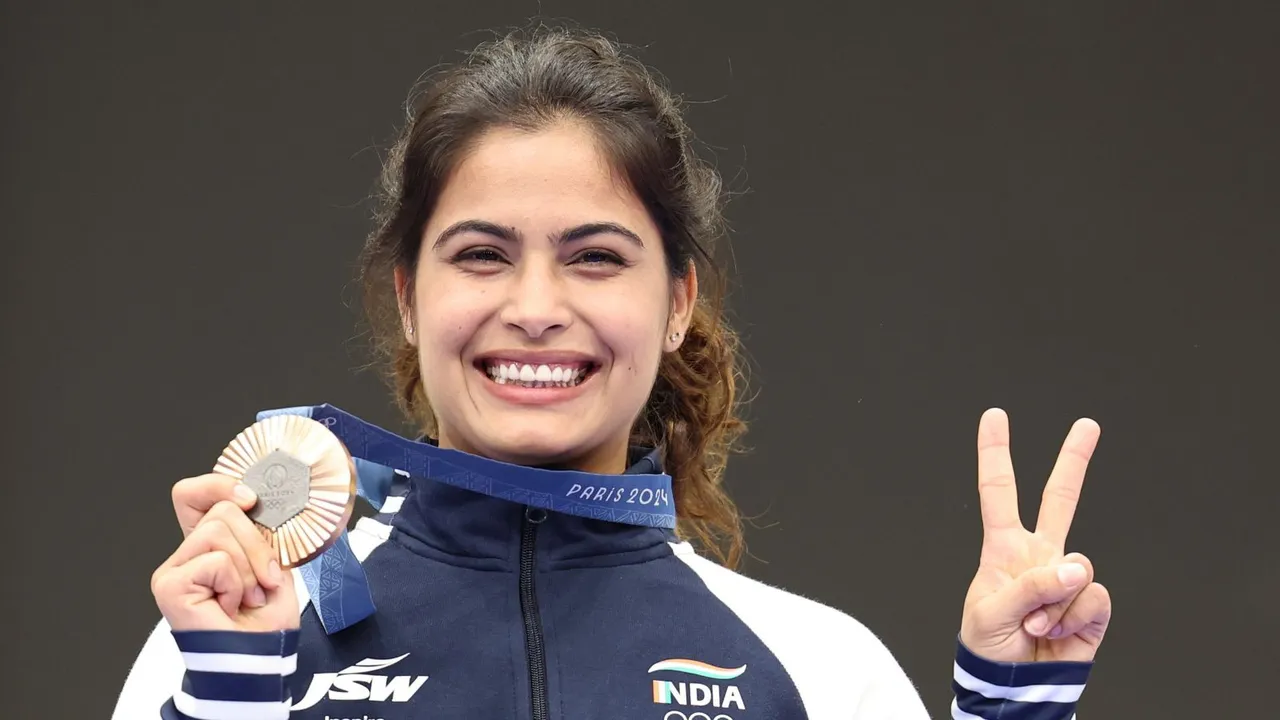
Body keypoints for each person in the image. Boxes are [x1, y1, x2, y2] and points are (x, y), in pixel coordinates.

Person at [112, 25, 1112, 720]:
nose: (537, 306)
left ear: (676, 304)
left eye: (594, 257)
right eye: (480, 255)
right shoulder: (226, 643)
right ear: (409, 300)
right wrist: (234, 696)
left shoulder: (816, 670)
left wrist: (1010, 711)